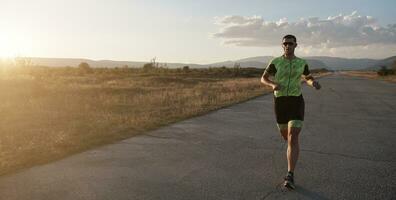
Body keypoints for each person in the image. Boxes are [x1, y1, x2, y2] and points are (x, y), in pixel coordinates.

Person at [260, 34, 321, 189]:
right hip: (280, 101)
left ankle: (290, 175)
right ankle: (292, 150)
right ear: (282, 46)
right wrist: (272, 84)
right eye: (285, 43)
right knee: (286, 137)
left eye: (290, 43)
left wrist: (312, 82)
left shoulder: (301, 62)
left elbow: (307, 77)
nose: (288, 46)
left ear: (296, 45)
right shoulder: (275, 62)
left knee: (293, 136)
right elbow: (263, 78)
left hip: (296, 100)